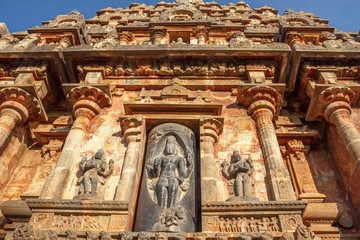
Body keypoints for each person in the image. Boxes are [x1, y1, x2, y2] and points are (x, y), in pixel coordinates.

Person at [147, 136, 191, 208]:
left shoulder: (179, 159)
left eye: (172, 143)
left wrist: (180, 178)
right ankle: (160, 211)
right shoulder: (161, 158)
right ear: (166, 145)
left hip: (173, 177)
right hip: (163, 177)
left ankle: (171, 211)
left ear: (174, 145)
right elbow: (155, 174)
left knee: (173, 191)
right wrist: (156, 166)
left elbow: (182, 173)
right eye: (168, 143)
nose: (169, 145)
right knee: (161, 192)